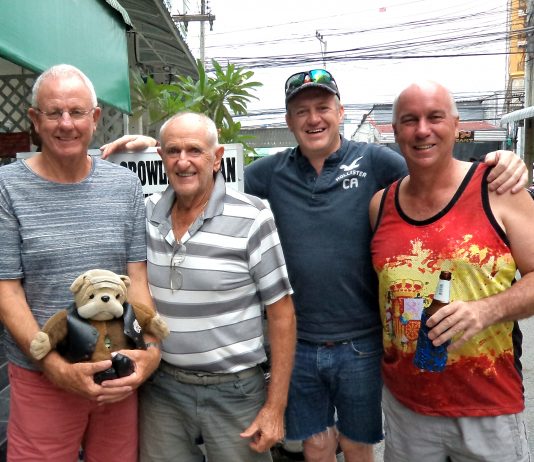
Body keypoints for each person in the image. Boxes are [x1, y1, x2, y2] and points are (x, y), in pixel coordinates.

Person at [100, 69, 527, 462]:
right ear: (289, 121)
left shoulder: (377, 163)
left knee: (357, 444)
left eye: (323, 107)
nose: (313, 119)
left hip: (362, 339)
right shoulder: (269, 172)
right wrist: (147, 151)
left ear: (340, 113)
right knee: (316, 445)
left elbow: (429, 168)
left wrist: (502, 161)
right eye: (301, 111)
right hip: (300, 340)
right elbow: (205, 170)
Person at [0, 64, 161, 462]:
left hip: (116, 368)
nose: (66, 124)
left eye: (76, 112)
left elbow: (136, 278)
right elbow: (6, 289)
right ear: (35, 119)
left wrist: (150, 351)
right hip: (41, 374)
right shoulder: (7, 187)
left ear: (95, 118)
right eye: (54, 112)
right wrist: (53, 365)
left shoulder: (123, 185)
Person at [370, 80, 534, 462]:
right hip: (407, 410)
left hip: (487, 407)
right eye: (409, 120)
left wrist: (485, 310)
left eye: (435, 117)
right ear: (395, 131)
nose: (422, 130)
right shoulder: (380, 205)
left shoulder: (499, 190)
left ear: (456, 125)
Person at [135, 112, 295, 462]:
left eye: (195, 150)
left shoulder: (252, 216)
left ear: (217, 157)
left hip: (235, 390)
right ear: (161, 156)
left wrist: (275, 407)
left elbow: (282, 314)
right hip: (162, 388)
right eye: (173, 151)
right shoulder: (146, 213)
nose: (183, 161)